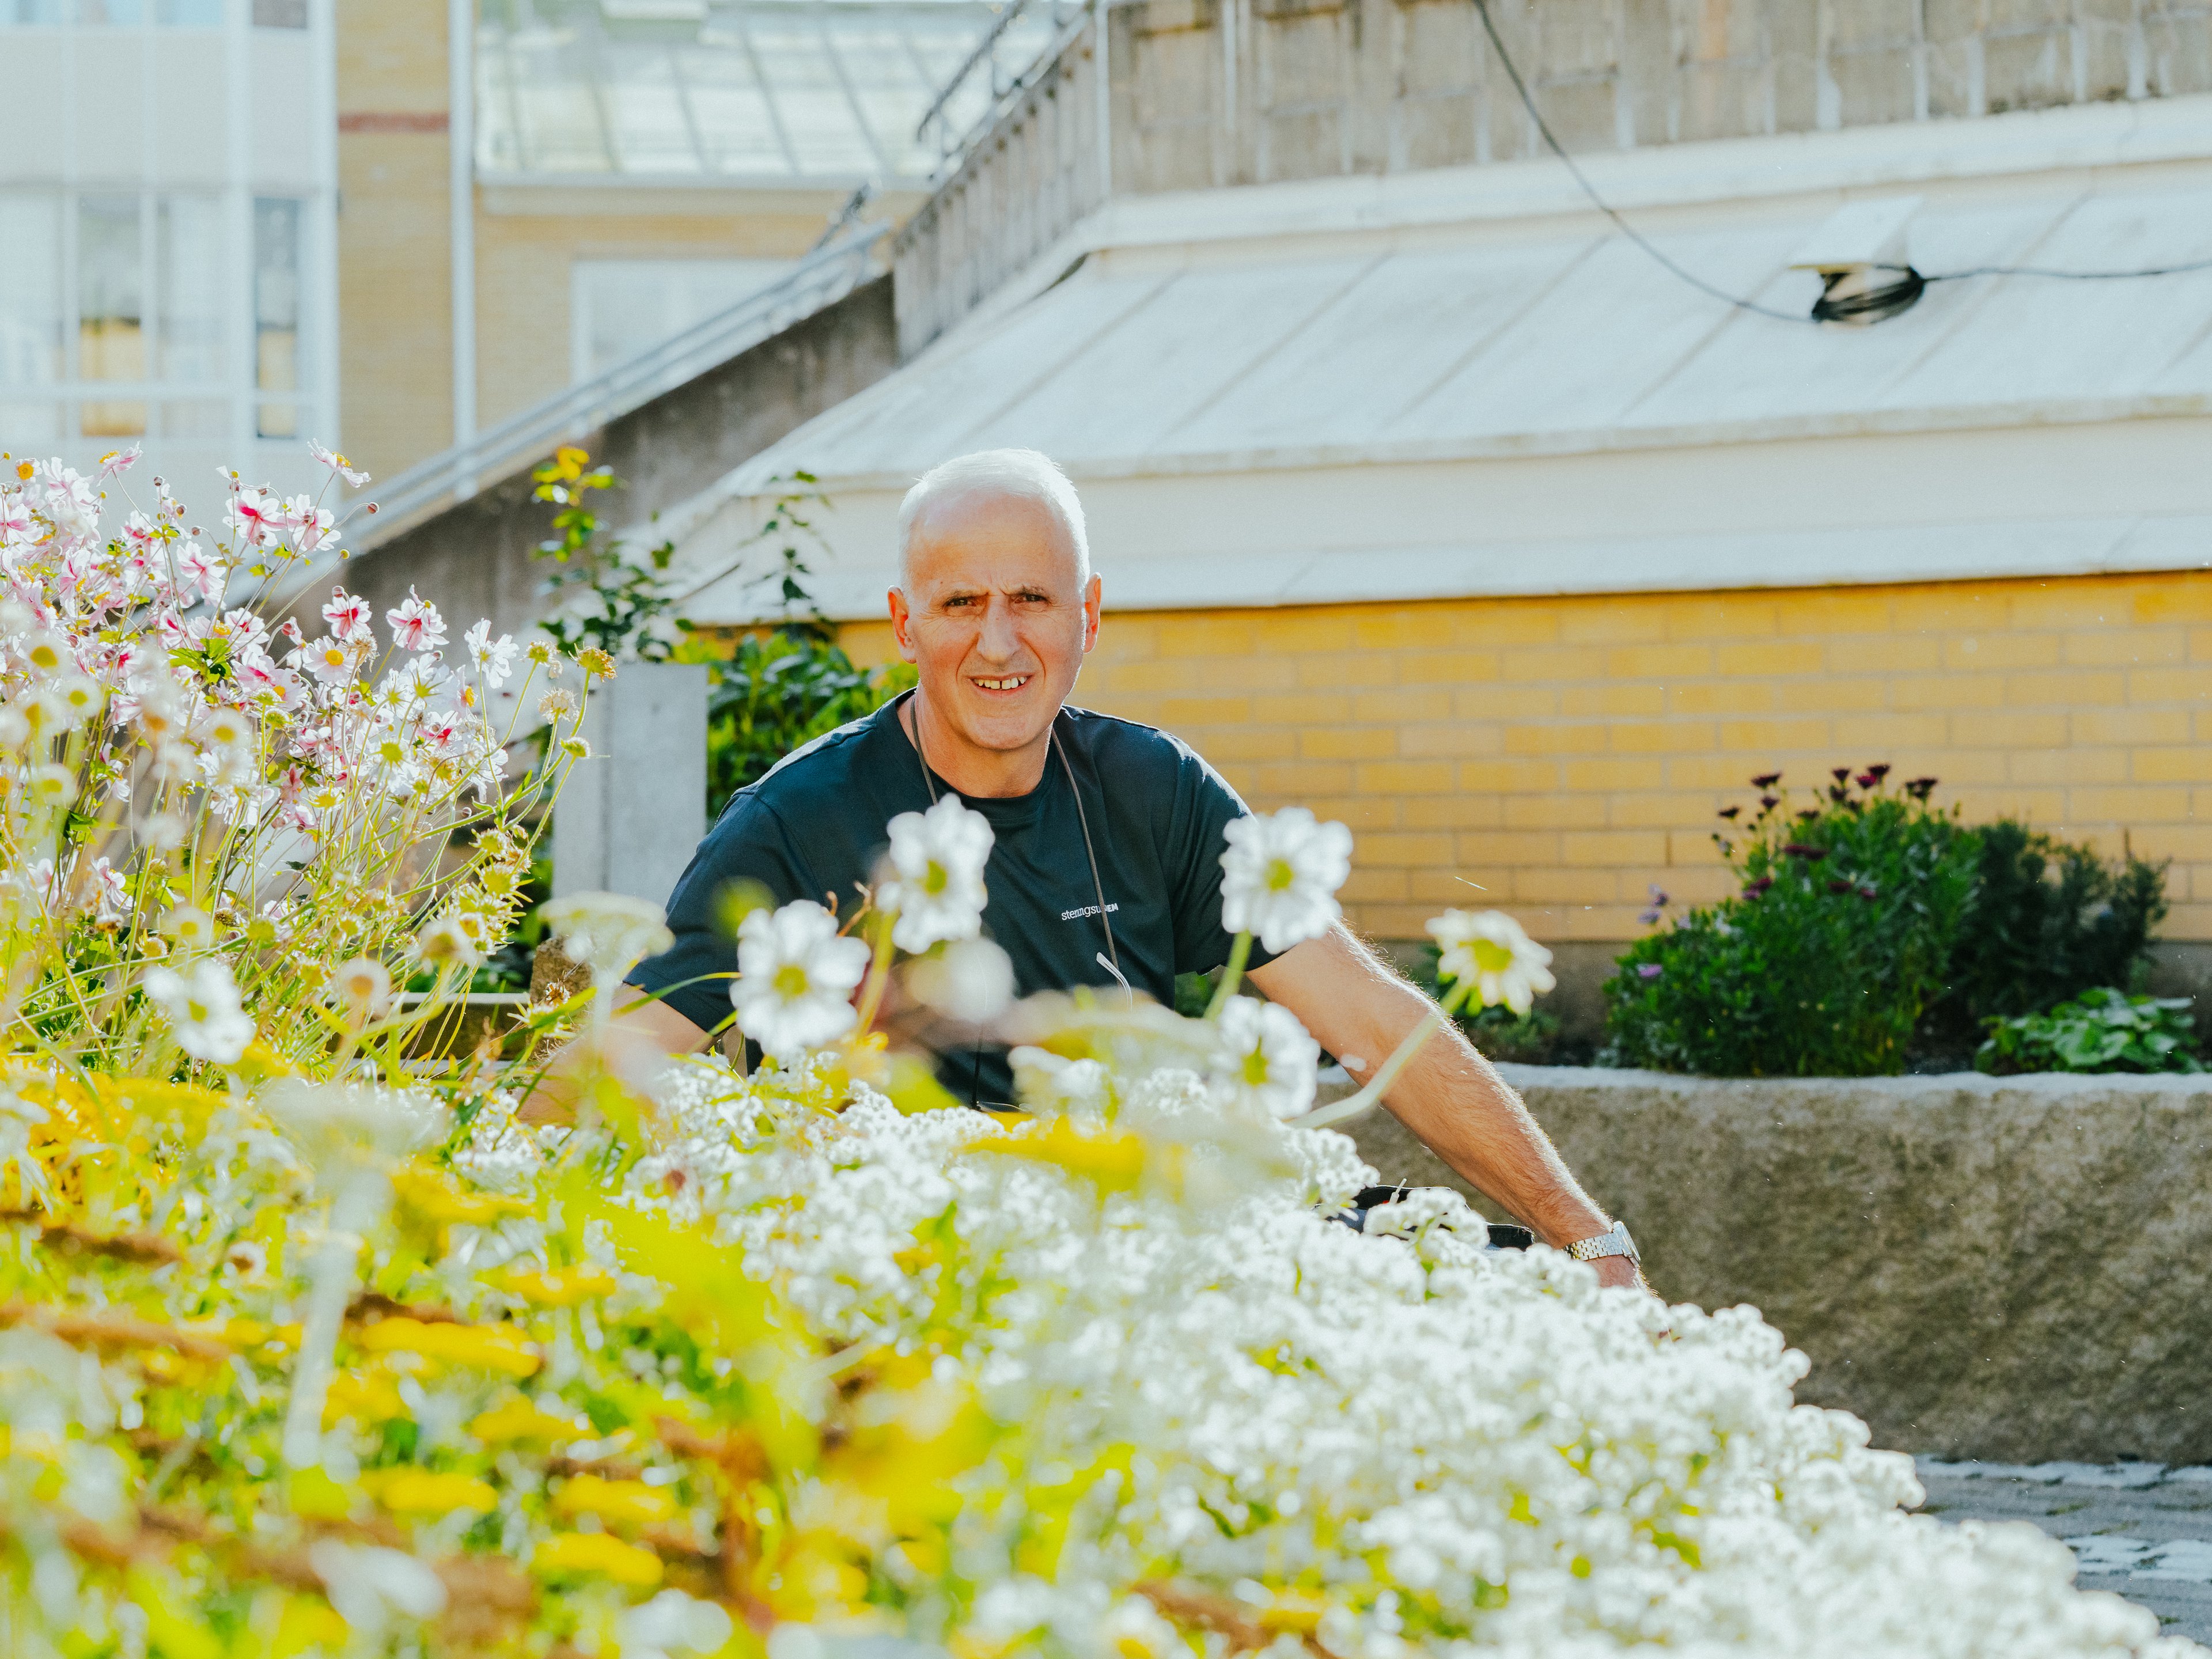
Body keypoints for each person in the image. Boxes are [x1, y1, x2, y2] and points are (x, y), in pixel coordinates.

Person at [543, 449, 1644, 1290]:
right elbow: (613, 1065)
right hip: (932, 1285)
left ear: (1090, 616)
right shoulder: (798, 821)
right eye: (961, 604)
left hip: (1167, 1248)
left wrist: (1590, 1243)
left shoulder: (1154, 789)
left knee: (1499, 1289)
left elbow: (1373, 1020)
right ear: (904, 625)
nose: (999, 642)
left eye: (1031, 599)